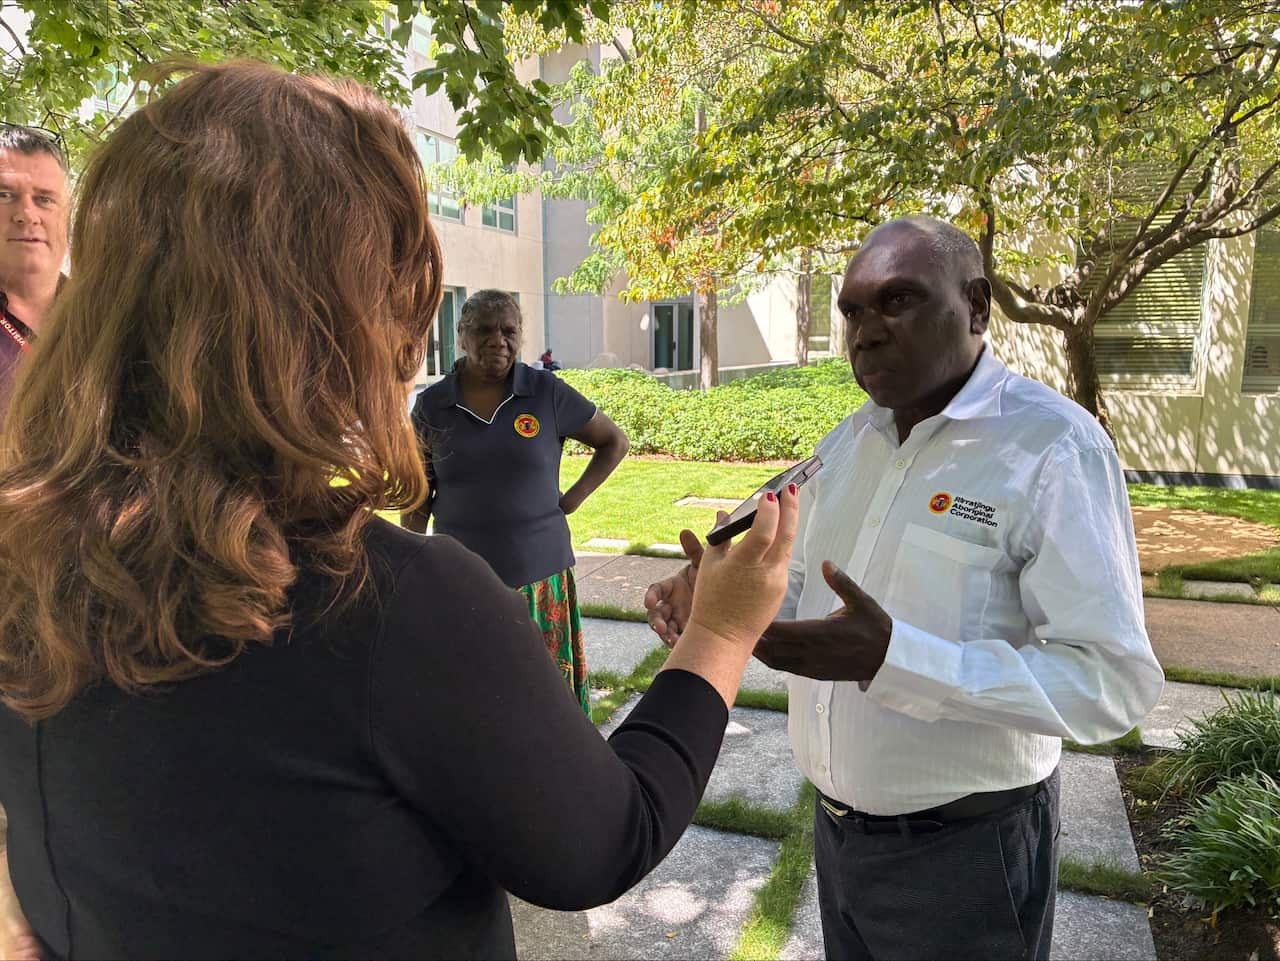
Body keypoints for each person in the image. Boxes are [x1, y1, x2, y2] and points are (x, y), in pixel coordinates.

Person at [0, 60, 802, 960]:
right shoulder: (388, 602)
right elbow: (600, 841)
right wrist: (722, 634)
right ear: (330, 315)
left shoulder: (28, 549)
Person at [644, 216, 1165, 961]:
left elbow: (1112, 681)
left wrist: (891, 657)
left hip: (967, 859)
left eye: (898, 301)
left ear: (978, 306)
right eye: (852, 311)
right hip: (838, 839)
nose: (867, 331)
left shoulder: (1052, 449)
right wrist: (719, 597)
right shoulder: (850, 442)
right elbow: (793, 585)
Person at [404, 292, 628, 714]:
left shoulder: (546, 392)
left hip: (542, 579)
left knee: (547, 700)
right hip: (463, 580)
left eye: (509, 330)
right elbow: (418, 495)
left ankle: (558, 772)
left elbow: (614, 442)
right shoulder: (433, 406)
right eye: (484, 330)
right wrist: (407, 566)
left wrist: (573, 499)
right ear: (461, 335)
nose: (498, 340)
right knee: (476, 696)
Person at [0, 123, 69, 409]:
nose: (27, 215)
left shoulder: (110, 319)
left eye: (44, 199)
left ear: (69, 214)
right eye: (4, 196)